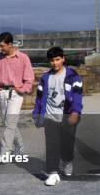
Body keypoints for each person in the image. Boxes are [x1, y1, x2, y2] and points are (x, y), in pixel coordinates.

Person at [32, 47, 82, 186]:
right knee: (52, 145)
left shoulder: (73, 76)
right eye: (52, 60)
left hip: (68, 116)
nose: (55, 63)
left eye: (57, 59)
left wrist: (75, 112)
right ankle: (53, 173)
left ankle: (67, 161)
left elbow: (77, 96)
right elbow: (39, 97)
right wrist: (36, 114)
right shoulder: (45, 78)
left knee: (67, 145)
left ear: (63, 59)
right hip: (50, 116)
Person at [0, 32, 34, 157]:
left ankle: (5, 153)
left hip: (16, 94)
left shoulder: (23, 58)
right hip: (2, 92)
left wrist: (22, 89)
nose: (0, 48)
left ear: (10, 44)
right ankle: (19, 146)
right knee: (8, 123)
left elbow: (29, 78)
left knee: (10, 123)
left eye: (2, 46)